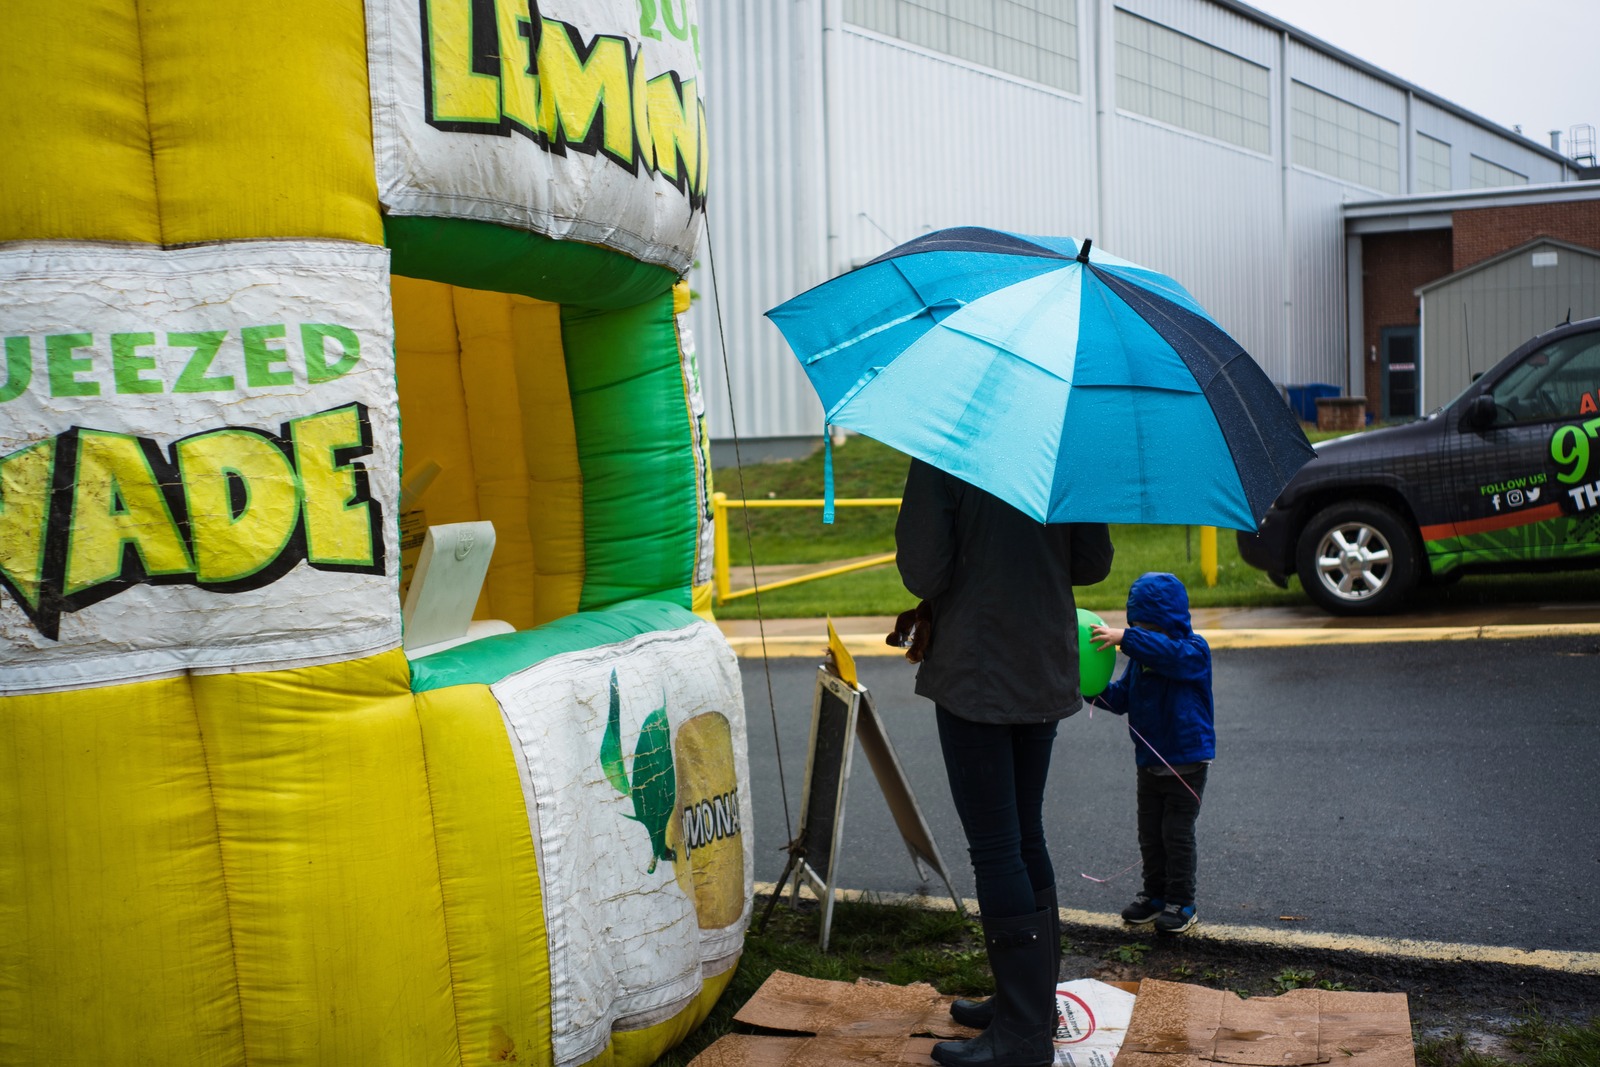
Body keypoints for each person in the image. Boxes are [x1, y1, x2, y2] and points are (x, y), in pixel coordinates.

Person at [895, 458, 1114, 1067]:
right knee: (1023, 834)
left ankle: (1021, 1035)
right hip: (1043, 661)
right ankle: (1029, 1004)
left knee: (996, 847)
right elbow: (1092, 564)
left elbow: (923, 568)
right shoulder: (1060, 442)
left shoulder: (946, 446)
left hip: (977, 672)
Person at [1088, 572, 1215, 935]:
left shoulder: (1192, 651)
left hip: (1186, 762)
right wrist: (1089, 687)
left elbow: (1167, 654)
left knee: (1176, 833)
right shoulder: (1140, 661)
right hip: (1149, 762)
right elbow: (1120, 699)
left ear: (1170, 622)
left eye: (1149, 627)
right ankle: (1154, 895)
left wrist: (1128, 638)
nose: (1142, 633)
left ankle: (1182, 901)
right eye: (1136, 625)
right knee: (1150, 834)